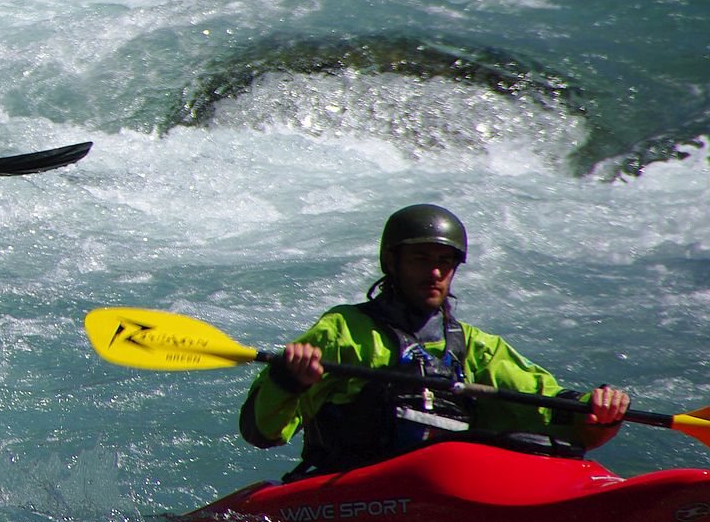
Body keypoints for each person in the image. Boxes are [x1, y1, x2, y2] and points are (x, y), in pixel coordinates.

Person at [239, 203, 630, 479]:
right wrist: (288, 381)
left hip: (448, 482)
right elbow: (261, 432)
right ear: (391, 263)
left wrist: (595, 411)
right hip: (354, 483)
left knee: (534, 446)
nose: (435, 272)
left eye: (445, 262)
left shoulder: (476, 348)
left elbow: (552, 409)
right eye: (421, 259)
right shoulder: (344, 331)